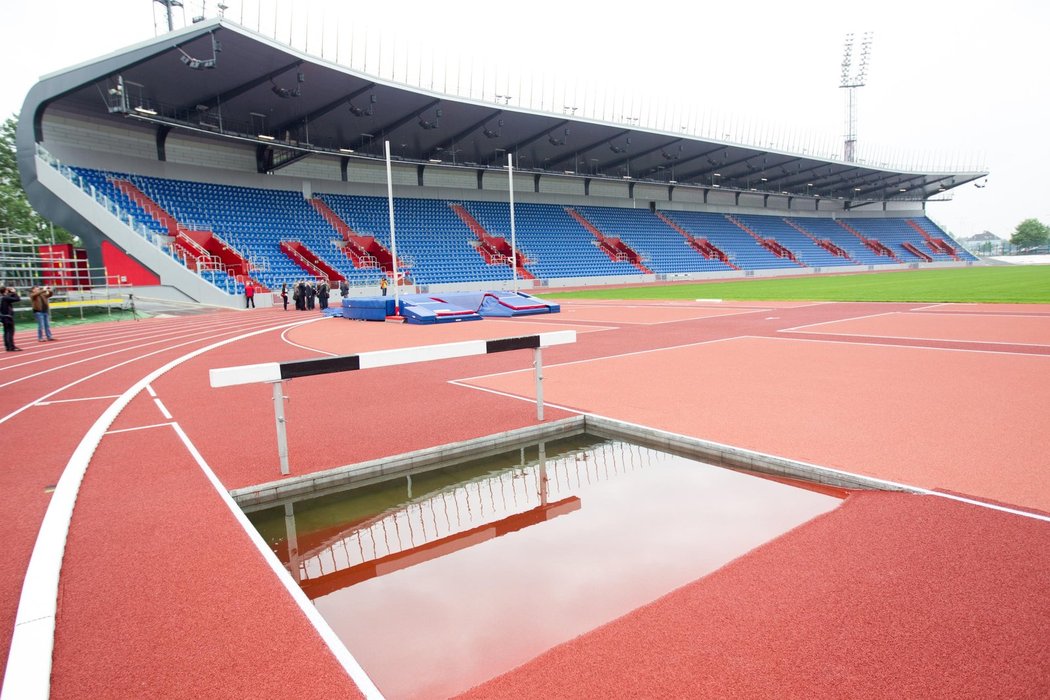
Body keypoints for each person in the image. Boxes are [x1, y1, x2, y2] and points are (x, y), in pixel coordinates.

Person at [1, 286, 21, 352]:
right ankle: (11, 346)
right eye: (7, 290)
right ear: (5, 291)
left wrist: (11, 293)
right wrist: (14, 292)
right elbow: (17, 299)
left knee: (6, 332)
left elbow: (10, 298)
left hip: (3, 317)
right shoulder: (5, 298)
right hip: (8, 317)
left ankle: (8, 346)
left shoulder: (2, 298)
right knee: (10, 332)